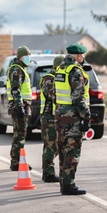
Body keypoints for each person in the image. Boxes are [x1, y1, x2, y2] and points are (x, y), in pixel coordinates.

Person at [55, 43, 91, 195]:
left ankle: (64, 184)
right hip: (72, 117)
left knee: (63, 151)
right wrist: (86, 117)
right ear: (78, 56)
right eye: (83, 55)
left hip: (60, 116)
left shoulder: (60, 69)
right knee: (72, 151)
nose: (83, 58)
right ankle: (69, 185)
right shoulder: (75, 71)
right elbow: (78, 97)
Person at [8, 45, 33, 171]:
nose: (29, 58)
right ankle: (16, 162)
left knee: (20, 135)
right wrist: (20, 105)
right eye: (27, 56)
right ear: (21, 57)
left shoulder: (20, 68)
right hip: (19, 107)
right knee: (19, 135)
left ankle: (16, 161)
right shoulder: (16, 70)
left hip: (21, 106)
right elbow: (15, 90)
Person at [40, 55, 64, 184]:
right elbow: (54, 96)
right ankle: (48, 173)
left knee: (55, 146)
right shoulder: (49, 79)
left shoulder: (59, 78)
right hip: (49, 118)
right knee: (50, 146)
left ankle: (48, 170)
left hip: (56, 117)